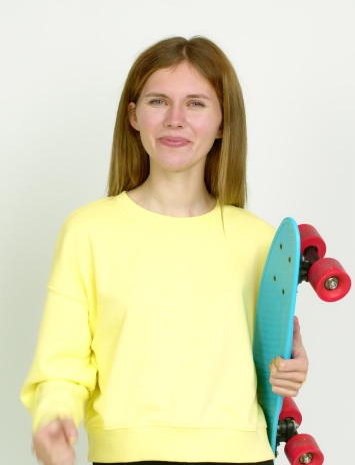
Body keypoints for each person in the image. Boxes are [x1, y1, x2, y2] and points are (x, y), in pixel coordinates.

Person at [20, 36, 309, 465]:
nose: (176, 120)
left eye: (196, 104)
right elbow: (61, 364)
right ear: (134, 116)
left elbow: (269, 363)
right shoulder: (88, 231)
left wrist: (290, 366)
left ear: (223, 122)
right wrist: (54, 417)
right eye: (158, 101)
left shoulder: (261, 240)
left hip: (243, 457)